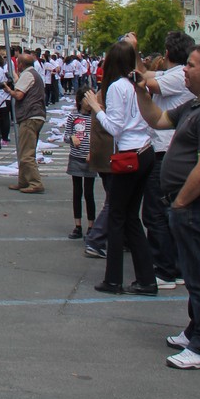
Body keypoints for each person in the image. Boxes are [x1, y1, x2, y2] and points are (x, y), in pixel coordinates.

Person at [133, 44, 200, 369]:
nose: (184, 69)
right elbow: (157, 119)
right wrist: (141, 91)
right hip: (187, 205)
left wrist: (181, 203)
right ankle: (196, 330)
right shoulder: (195, 105)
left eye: (192, 65)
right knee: (197, 274)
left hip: (197, 205)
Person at [83, 38, 156, 296]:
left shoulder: (116, 87)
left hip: (129, 153)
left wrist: (96, 108)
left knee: (117, 216)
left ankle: (113, 279)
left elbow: (114, 128)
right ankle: (146, 279)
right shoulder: (137, 85)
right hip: (145, 150)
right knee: (130, 218)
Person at [137, 30, 195, 290]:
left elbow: (149, 83)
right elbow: (146, 75)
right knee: (168, 212)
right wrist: (135, 52)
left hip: (166, 150)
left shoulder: (178, 77)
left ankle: (165, 270)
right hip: (169, 148)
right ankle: (177, 267)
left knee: (156, 212)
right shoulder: (175, 74)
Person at [5, 51, 47, 194]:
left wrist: (8, 90)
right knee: (24, 150)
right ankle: (23, 181)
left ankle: (35, 182)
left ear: (20, 64)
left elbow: (19, 94)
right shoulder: (35, 74)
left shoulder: (28, 75)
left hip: (30, 116)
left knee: (26, 153)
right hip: (36, 115)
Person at [63, 87, 96, 239]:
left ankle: (91, 225)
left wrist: (93, 152)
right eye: (87, 98)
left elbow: (99, 137)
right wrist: (71, 138)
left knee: (89, 193)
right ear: (80, 100)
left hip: (89, 159)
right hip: (75, 157)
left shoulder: (96, 117)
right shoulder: (73, 116)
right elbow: (66, 135)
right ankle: (77, 225)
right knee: (77, 192)